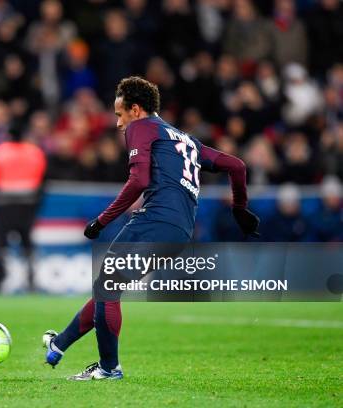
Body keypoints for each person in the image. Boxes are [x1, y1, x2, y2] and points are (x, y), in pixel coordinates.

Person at [42, 76, 259, 380]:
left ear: (135, 109)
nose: (119, 124)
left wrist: (101, 221)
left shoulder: (141, 127)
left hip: (155, 220)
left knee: (107, 286)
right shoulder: (185, 139)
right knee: (109, 287)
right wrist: (240, 208)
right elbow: (236, 165)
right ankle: (59, 345)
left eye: (120, 114)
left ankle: (108, 368)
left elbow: (140, 181)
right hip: (181, 231)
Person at [0, 126, 47, 292]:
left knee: (1, 243)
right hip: (27, 205)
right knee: (27, 242)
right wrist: (36, 203)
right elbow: (43, 181)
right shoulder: (35, 152)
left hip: (3, 204)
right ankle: (31, 279)